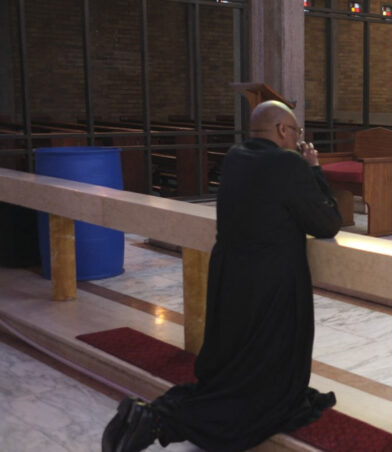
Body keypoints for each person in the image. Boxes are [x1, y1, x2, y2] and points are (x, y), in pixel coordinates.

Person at [101, 100, 342, 452]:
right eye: (296, 133)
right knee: (258, 395)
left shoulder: (235, 157)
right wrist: (314, 169)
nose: (297, 140)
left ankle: (151, 415)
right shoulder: (287, 163)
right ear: (281, 130)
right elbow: (327, 223)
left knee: (233, 370)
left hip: (230, 278)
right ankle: (157, 419)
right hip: (270, 286)